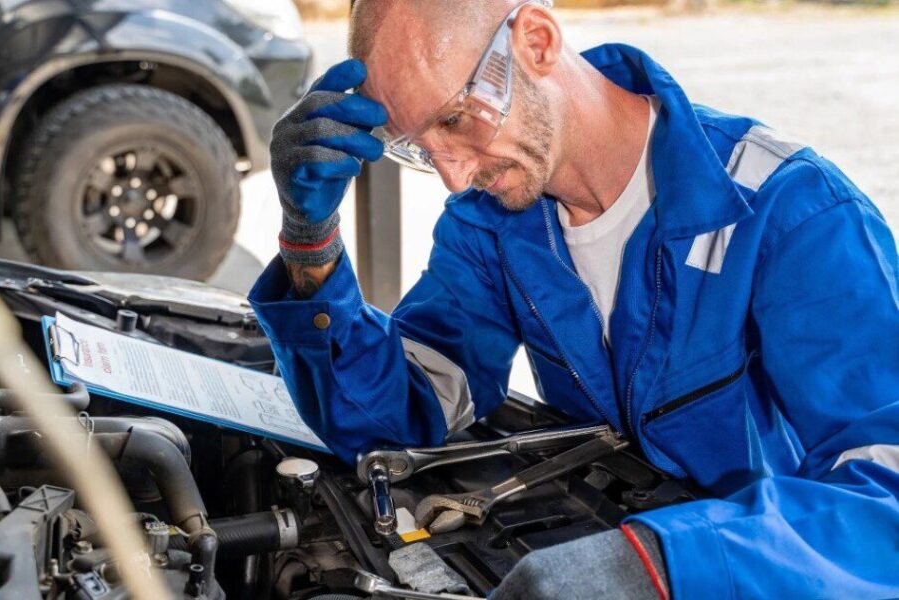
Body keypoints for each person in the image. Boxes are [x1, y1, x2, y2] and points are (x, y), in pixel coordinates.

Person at [249, 1, 899, 597]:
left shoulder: (790, 214)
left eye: (454, 118)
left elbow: (885, 503)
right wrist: (310, 246)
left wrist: (659, 565)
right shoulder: (490, 226)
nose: (453, 172)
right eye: (418, 148)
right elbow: (394, 420)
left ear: (536, 41)